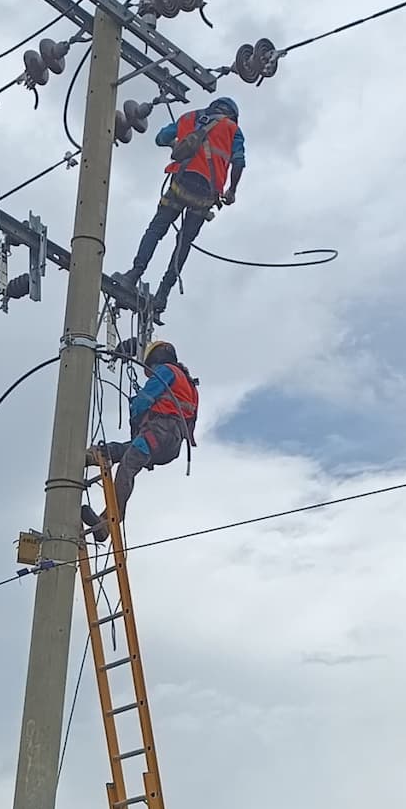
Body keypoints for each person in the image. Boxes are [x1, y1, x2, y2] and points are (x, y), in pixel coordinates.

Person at [107, 94, 243, 303]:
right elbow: (239, 161)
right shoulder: (233, 130)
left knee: (156, 230)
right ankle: (162, 295)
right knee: (184, 241)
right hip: (205, 195)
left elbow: (160, 138)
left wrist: (177, 144)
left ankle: (134, 274)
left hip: (181, 183)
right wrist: (232, 190)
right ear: (232, 115)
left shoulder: (190, 117)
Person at [81, 340, 198, 541]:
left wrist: (135, 411)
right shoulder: (189, 385)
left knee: (128, 465)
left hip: (159, 432)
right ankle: (94, 455)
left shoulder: (166, 371)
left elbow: (144, 401)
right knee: (123, 451)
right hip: (172, 443)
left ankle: (110, 521)